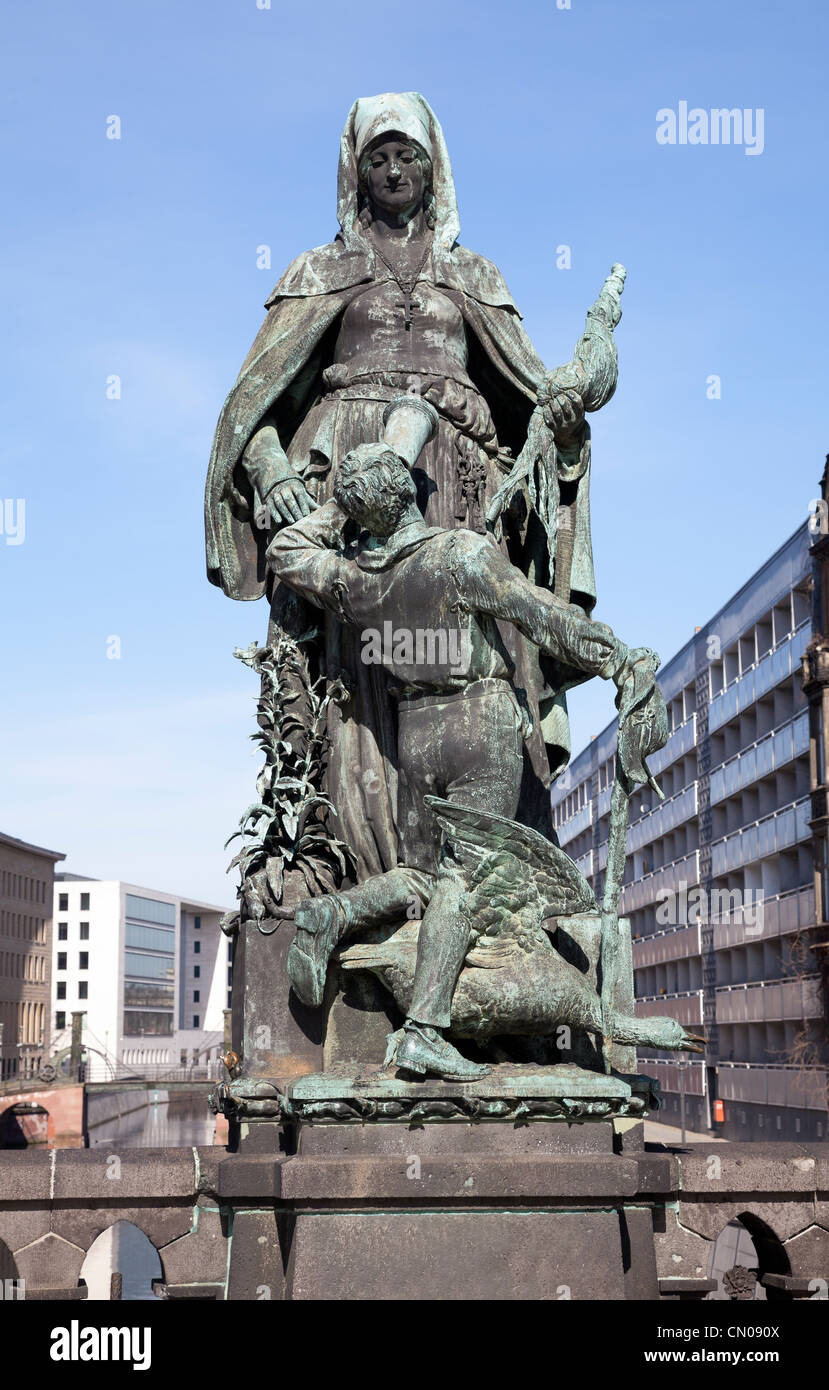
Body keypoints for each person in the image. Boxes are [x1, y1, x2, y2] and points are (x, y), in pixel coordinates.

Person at [206, 92, 603, 894]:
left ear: (434, 168)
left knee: (467, 655)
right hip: (349, 482)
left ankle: (478, 864)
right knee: (359, 672)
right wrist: (275, 474)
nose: (393, 170)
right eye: (377, 157)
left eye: (407, 156)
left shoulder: (473, 276)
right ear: (355, 171)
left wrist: (558, 422)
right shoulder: (316, 273)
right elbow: (251, 406)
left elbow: (530, 395)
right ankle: (352, 862)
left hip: (457, 482)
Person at [266, 440, 654, 1078]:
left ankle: (334, 911)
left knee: (425, 874)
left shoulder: (357, 578)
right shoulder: (460, 553)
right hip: (478, 722)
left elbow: (284, 551)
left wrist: (342, 507)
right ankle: (424, 1029)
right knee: (460, 882)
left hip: (414, 733)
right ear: (410, 493)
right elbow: (543, 616)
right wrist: (616, 657)